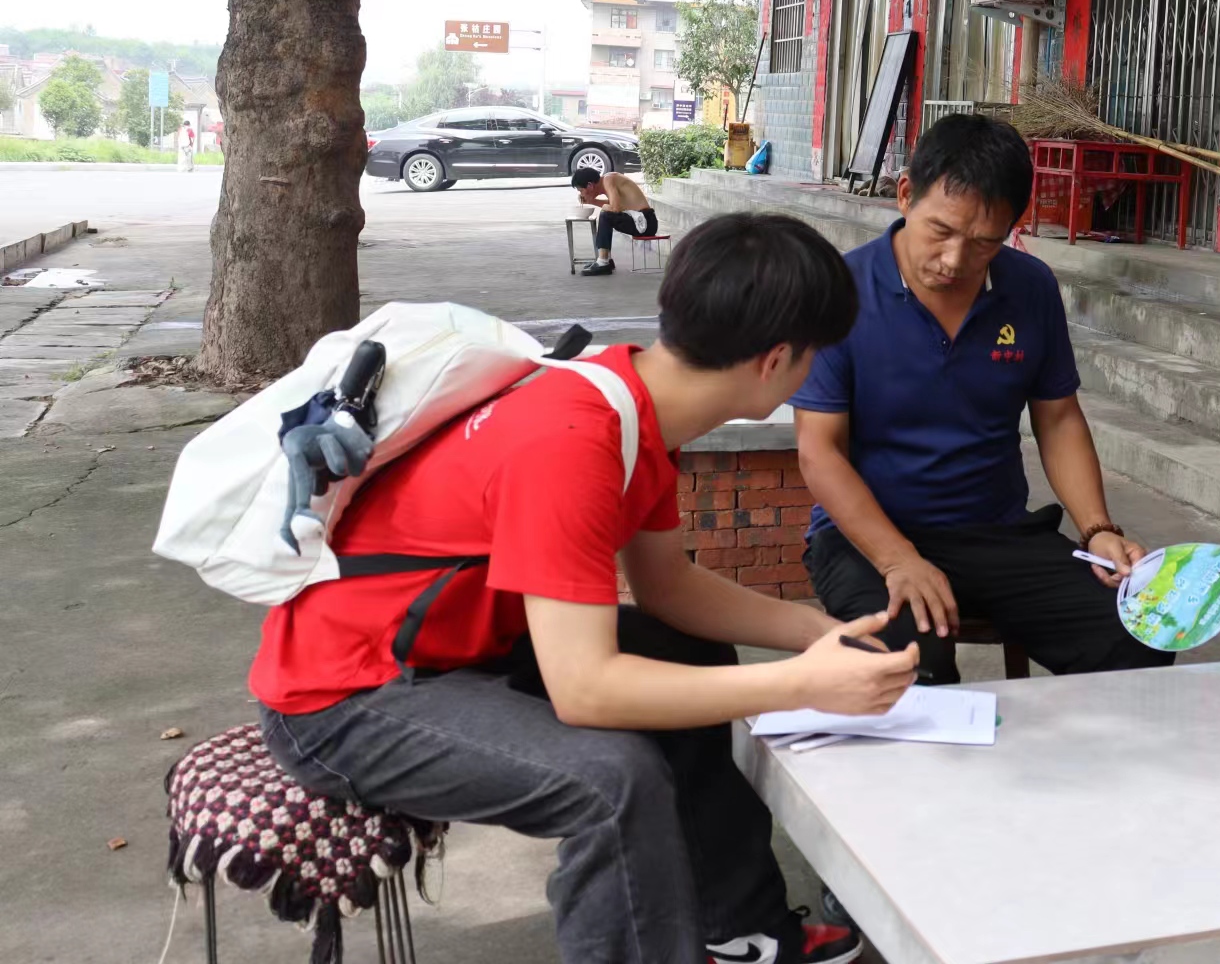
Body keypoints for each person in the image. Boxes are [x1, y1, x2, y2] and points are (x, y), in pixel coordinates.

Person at [252, 213, 917, 964]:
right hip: (344, 701)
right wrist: (801, 684)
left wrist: (814, 632)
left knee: (684, 649)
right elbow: (585, 691)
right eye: (816, 355)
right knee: (612, 784)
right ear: (777, 362)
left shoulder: (631, 401)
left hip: (456, 650)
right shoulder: (572, 441)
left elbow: (668, 588)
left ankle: (740, 930)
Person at [792, 113, 1172, 685]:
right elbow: (819, 451)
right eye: (940, 231)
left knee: (1138, 635)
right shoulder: (838, 293)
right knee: (908, 671)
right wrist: (899, 560)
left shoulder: (1030, 288)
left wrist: (1098, 529)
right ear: (904, 195)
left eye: (983, 244)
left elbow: (1058, 419)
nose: (954, 260)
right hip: (867, 537)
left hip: (997, 534)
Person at [574, 164, 658, 276]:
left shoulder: (609, 179)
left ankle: (603, 262)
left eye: (581, 190)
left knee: (605, 215)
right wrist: (591, 201)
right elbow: (615, 205)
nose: (581, 194)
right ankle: (606, 259)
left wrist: (600, 205)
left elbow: (615, 208)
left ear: (590, 185)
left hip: (645, 222)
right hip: (640, 220)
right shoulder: (608, 180)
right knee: (606, 213)